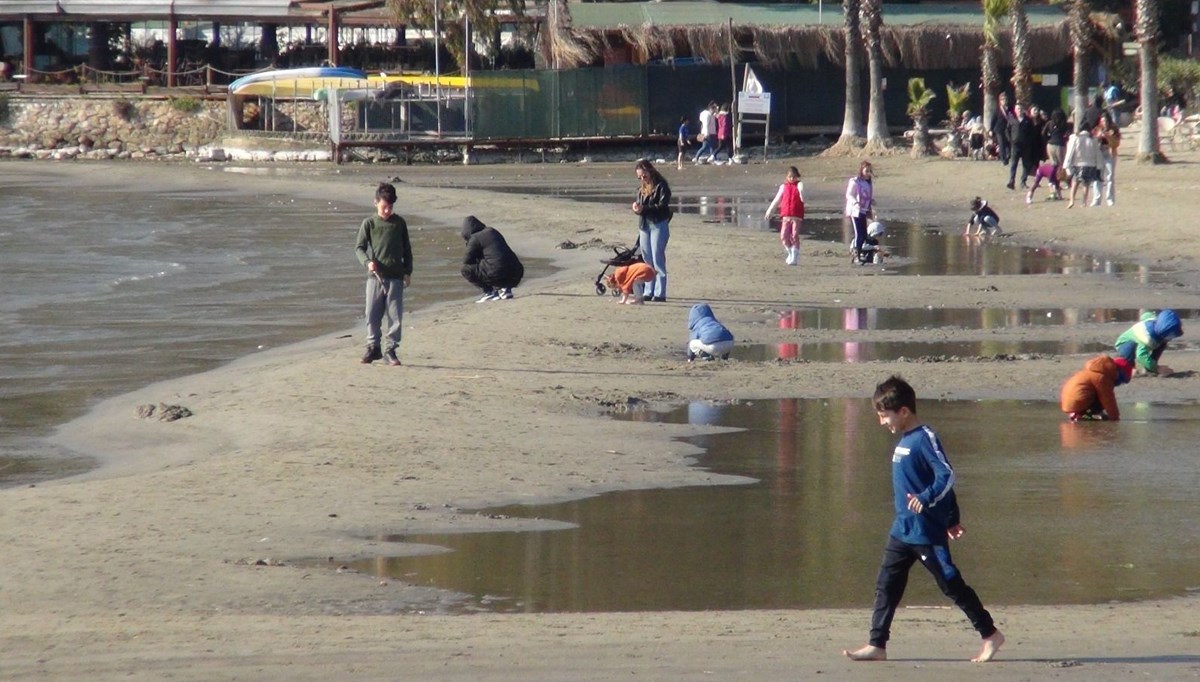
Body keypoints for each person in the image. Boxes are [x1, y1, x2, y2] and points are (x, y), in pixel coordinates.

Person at [843, 376, 1004, 664]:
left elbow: (946, 475)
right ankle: (877, 645)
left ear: (903, 411)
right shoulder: (905, 440)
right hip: (902, 530)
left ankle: (990, 634)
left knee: (950, 583)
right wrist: (953, 517)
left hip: (926, 531)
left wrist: (935, 505)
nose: (882, 423)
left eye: (884, 416)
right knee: (886, 584)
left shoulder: (925, 438)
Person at [354, 182, 412, 366]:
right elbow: (359, 248)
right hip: (375, 277)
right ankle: (373, 348)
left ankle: (390, 350)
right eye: (384, 207)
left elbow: (407, 250)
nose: (387, 211)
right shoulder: (369, 223)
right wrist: (367, 262)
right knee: (371, 314)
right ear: (376, 202)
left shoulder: (399, 223)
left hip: (396, 276)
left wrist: (408, 271)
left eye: (390, 207)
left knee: (395, 316)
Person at [632, 159, 672, 302]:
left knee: (657, 258)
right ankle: (648, 291)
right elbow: (641, 207)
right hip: (644, 225)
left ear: (650, 171)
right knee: (647, 258)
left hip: (658, 224)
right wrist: (637, 208)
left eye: (644, 175)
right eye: (640, 177)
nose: (643, 179)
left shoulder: (662, 186)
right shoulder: (641, 189)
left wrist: (644, 209)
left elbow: (663, 206)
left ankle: (660, 293)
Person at [460, 215, 524, 303]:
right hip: (516, 271)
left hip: (498, 272)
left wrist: (469, 246)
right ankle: (505, 289)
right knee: (497, 261)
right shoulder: (492, 231)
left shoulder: (475, 238)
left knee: (465, 269)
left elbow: (466, 260)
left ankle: (489, 292)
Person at [1060, 354, 1133, 422]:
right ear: (1117, 371)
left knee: (1099, 397)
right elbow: (1109, 400)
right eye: (1122, 380)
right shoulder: (1102, 378)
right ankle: (1081, 415)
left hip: (1068, 404)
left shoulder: (1091, 372)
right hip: (1078, 403)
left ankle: (1080, 414)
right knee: (1103, 399)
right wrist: (1115, 419)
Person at [1114, 309, 1183, 377]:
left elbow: (1145, 316)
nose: (1171, 339)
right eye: (1170, 336)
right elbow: (1141, 356)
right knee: (1129, 347)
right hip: (1124, 343)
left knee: (1162, 344)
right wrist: (1157, 368)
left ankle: (1149, 368)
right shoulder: (1147, 337)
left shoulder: (1154, 321)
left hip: (1152, 339)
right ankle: (1128, 367)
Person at [764, 165, 805, 265]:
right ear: (787, 177)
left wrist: (802, 193)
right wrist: (770, 211)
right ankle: (790, 251)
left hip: (796, 216)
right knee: (784, 235)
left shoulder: (799, 185)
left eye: (794, 177)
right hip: (786, 216)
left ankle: (795, 256)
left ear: (797, 177)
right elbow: (776, 200)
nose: (792, 179)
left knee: (795, 235)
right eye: (790, 177)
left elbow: (802, 191)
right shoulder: (783, 187)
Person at [1063, 127, 1102, 209]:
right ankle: (1084, 202)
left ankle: (1072, 201)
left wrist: (1067, 165)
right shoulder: (1093, 139)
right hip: (1089, 164)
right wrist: (1099, 166)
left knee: (1074, 183)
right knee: (1086, 184)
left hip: (1077, 163)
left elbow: (1070, 152)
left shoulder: (1075, 138)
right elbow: (1097, 153)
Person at [845, 161, 875, 262]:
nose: (869, 173)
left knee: (864, 234)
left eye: (870, 171)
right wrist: (855, 203)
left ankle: (860, 252)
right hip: (855, 211)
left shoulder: (868, 183)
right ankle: (856, 255)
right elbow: (849, 195)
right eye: (867, 171)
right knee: (859, 233)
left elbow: (867, 196)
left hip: (864, 210)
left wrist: (871, 201)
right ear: (861, 171)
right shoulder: (855, 181)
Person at [1007, 103, 1037, 190]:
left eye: (1020, 108)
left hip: (1025, 146)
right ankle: (1011, 181)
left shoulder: (1028, 120)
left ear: (1023, 110)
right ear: (1015, 110)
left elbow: (1032, 132)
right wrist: (1010, 140)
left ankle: (1023, 181)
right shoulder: (1012, 119)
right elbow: (1007, 130)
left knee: (1025, 164)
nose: (1019, 110)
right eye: (1017, 109)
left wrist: (1028, 141)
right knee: (1013, 164)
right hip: (1015, 145)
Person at [1094, 114, 1120, 207]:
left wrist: (1108, 136)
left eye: (1105, 121)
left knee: (1110, 177)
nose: (1104, 123)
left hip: (1110, 154)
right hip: (1099, 154)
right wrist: (1098, 137)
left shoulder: (1114, 129)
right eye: (1102, 121)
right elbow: (1093, 142)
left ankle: (1110, 199)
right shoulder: (1097, 129)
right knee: (1098, 177)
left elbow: (1116, 144)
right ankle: (1096, 199)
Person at [989, 92, 1013, 165]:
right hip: (999, 129)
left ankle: (1008, 156)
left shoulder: (1010, 109)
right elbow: (993, 120)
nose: (1004, 101)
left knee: (1008, 144)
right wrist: (990, 129)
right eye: (1003, 99)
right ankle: (1003, 159)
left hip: (1008, 129)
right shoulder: (997, 109)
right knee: (1001, 144)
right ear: (1000, 101)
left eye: (1006, 99)